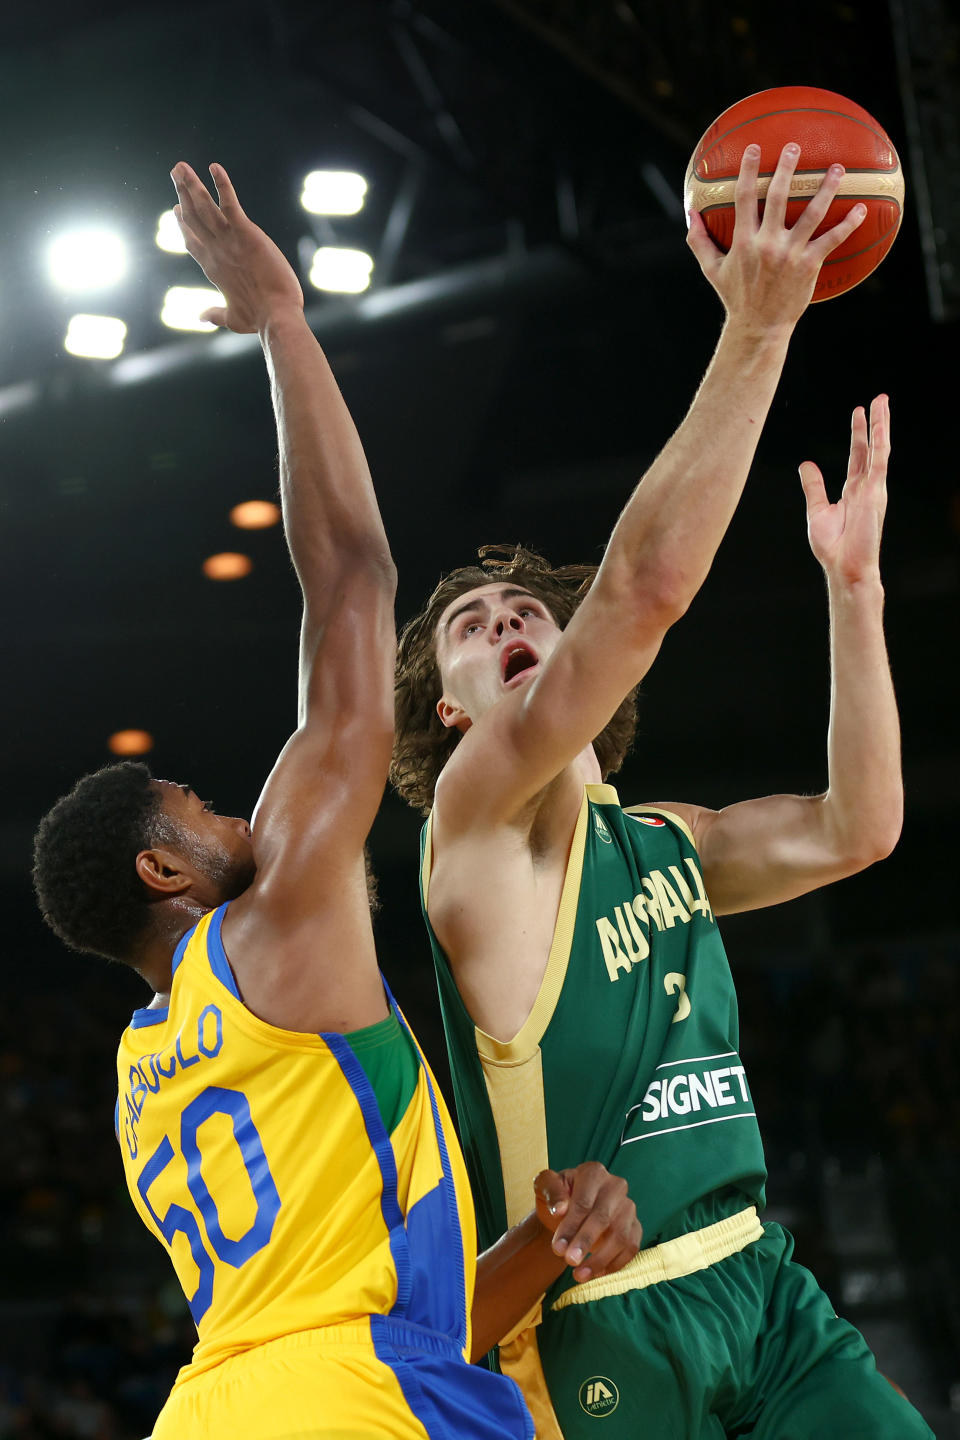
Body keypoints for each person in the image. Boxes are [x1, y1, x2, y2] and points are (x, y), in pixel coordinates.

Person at [32, 162, 642, 1440]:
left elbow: (375, 1321)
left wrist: (541, 1243)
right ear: (164, 872)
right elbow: (356, 581)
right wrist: (285, 326)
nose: (236, 815)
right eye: (198, 806)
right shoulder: (275, 920)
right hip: (353, 1406)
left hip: (225, 1405)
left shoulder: (146, 1086)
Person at [391, 144, 934, 1437]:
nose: (511, 612)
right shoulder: (475, 833)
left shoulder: (661, 839)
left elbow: (860, 829)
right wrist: (756, 330)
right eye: (477, 625)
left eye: (528, 604)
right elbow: (640, 592)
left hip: (762, 1282)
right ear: (452, 712)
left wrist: (853, 598)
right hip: (602, 1319)